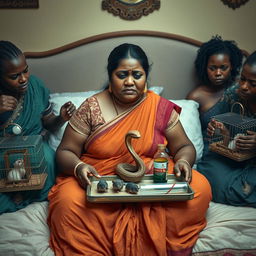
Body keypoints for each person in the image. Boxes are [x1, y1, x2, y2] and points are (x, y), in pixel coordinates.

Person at [47, 43, 212, 256]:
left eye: (137, 75)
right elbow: (65, 152)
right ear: (110, 75)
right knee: (68, 201)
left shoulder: (158, 106)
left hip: (151, 178)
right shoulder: (91, 107)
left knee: (201, 188)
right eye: (122, 74)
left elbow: (183, 146)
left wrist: (183, 161)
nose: (130, 82)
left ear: (146, 76)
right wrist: (79, 167)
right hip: (100, 179)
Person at [0, 41, 76, 214]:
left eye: (25, 70)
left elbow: (48, 123)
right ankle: (13, 201)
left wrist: (61, 118)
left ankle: (30, 198)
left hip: (33, 148)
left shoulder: (36, 86)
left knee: (49, 158)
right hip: (2, 152)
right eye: (14, 76)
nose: (24, 79)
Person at [196, 51, 256, 207]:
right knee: (205, 173)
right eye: (242, 79)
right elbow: (214, 125)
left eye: (253, 83)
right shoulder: (233, 94)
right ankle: (239, 191)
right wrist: (217, 130)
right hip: (229, 156)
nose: (244, 87)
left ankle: (235, 190)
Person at [186, 35, 243, 139]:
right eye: (212, 68)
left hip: (239, 148)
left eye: (223, 68)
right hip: (211, 149)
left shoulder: (241, 89)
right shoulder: (196, 96)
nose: (218, 73)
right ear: (204, 67)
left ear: (232, 67)